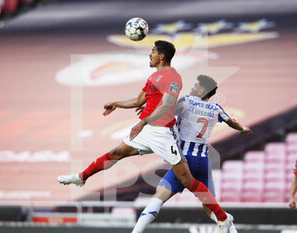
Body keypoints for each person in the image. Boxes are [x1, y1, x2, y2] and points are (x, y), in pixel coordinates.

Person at [58, 40, 234, 233]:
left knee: (187, 180)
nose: (149, 54)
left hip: (163, 133)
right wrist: (116, 103)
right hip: (147, 130)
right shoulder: (153, 77)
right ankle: (81, 177)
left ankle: (223, 218)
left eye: (152, 51)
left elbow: (167, 106)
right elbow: (138, 100)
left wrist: (142, 122)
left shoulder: (173, 78)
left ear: (161, 56)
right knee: (116, 153)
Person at [131, 75, 252, 233]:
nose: (192, 88)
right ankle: (233, 231)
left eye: (195, 85)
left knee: (159, 197)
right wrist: (243, 128)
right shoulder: (216, 108)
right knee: (211, 208)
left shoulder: (186, 101)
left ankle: (136, 232)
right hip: (203, 162)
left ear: (201, 90)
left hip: (184, 160)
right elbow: (233, 122)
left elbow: (165, 109)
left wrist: (148, 109)